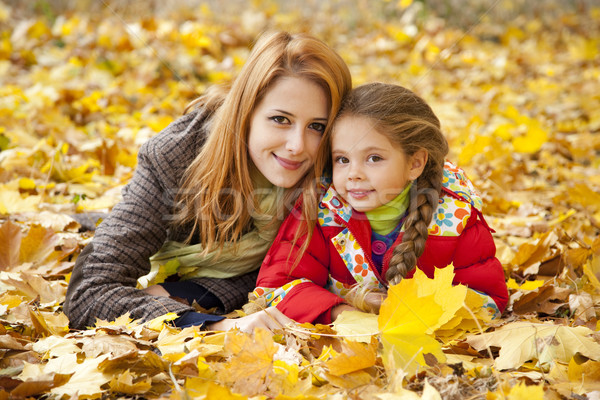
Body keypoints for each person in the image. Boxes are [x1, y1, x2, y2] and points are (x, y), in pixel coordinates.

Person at [63, 31, 352, 332]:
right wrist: (215, 326)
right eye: (280, 119)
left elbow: (294, 272)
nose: (297, 145)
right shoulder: (174, 157)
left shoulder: (339, 166)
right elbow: (89, 295)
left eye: (317, 126)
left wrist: (196, 293)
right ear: (247, 111)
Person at [251, 82, 509, 324]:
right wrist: (346, 311)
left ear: (415, 163)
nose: (354, 173)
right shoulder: (320, 210)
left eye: (374, 158)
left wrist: (410, 313)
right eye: (342, 159)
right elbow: (277, 287)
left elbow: (487, 301)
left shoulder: (455, 217)